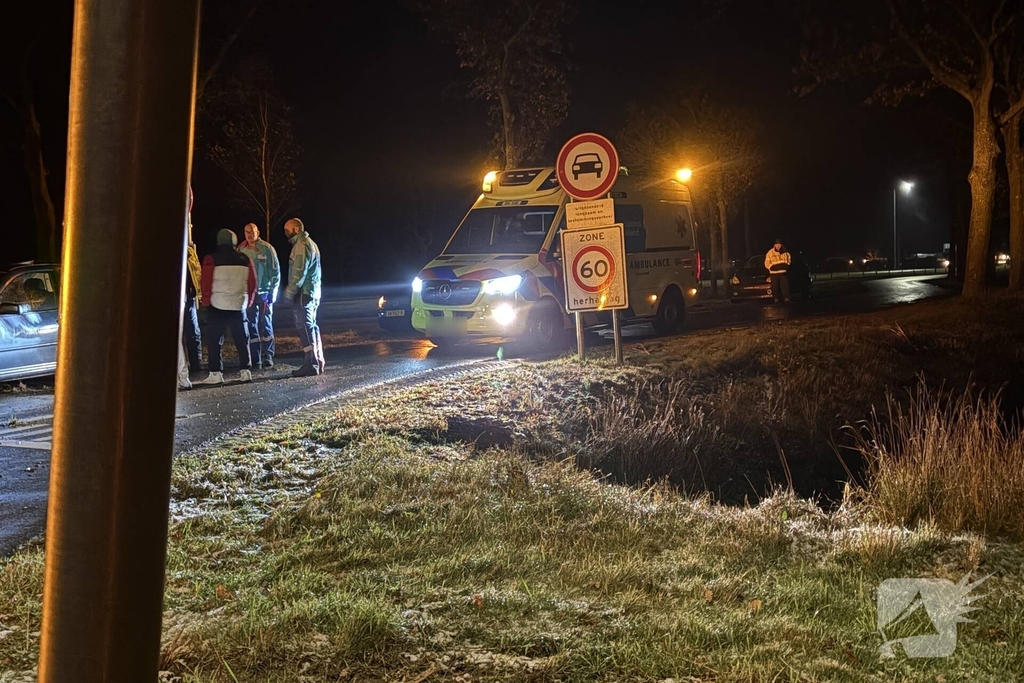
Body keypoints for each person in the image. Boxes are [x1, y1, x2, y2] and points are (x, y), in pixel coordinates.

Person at [198, 229, 257, 384]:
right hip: (239, 304)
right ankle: (245, 371)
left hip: (218, 304)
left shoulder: (211, 259)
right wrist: (248, 301)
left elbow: (206, 282)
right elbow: (253, 283)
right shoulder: (245, 259)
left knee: (215, 339)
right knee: (241, 338)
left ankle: (216, 373)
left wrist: (205, 301)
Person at [283, 217, 324, 377]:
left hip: (303, 292)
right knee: (311, 325)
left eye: (288, 229)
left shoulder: (301, 246)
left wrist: (290, 291)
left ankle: (311, 363)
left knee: (304, 326)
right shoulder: (310, 244)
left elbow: (299, 271)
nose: (285, 233)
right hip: (312, 291)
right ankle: (317, 361)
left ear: (297, 229)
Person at [237, 222, 281, 369]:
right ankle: (255, 358)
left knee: (266, 324)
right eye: (246, 232)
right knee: (250, 325)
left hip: (264, 294)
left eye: (252, 231)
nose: (249, 234)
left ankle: (268, 355)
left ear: (258, 232)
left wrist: (272, 293)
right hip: (249, 295)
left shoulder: (267, 249)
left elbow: (275, 273)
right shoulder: (241, 250)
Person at [764, 237, 792, 303]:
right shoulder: (770, 253)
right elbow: (766, 263)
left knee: (785, 286)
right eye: (777, 245)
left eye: (779, 245)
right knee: (775, 287)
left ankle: (786, 298)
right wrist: (772, 267)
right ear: (774, 245)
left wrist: (786, 266)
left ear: (781, 245)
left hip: (782, 272)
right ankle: (776, 299)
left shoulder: (785, 252)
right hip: (774, 273)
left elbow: (788, 261)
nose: (778, 246)